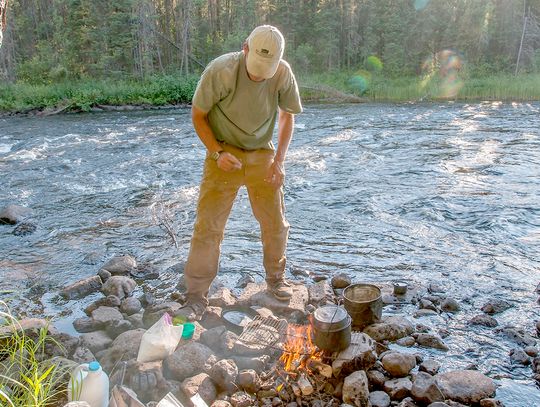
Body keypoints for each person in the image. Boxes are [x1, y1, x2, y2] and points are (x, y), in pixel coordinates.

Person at [178, 25, 302, 321]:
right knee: (208, 227)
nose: (260, 75)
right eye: (256, 67)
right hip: (223, 152)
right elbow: (197, 115)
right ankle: (195, 296)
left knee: (275, 223)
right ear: (245, 48)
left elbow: (287, 117)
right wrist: (216, 153)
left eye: (266, 69)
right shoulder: (220, 70)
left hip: (263, 154)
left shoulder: (283, 73)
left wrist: (280, 161)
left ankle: (275, 280)